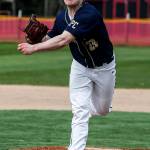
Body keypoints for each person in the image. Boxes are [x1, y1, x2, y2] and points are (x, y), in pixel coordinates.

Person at [18, 0, 116, 149]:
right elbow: (52, 39)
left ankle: (88, 106)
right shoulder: (61, 17)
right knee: (79, 111)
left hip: (104, 67)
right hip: (80, 67)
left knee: (102, 110)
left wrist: (34, 48)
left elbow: (63, 39)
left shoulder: (89, 13)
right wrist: (38, 39)